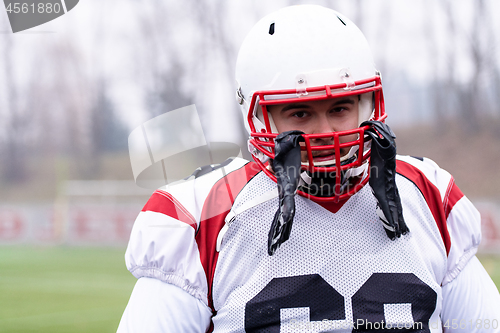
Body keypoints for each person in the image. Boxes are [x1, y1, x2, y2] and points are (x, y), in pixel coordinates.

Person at [117, 5, 500, 332]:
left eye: (339, 108)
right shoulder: (207, 213)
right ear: (260, 117)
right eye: (300, 113)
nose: (325, 132)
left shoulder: (426, 194)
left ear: (367, 104)